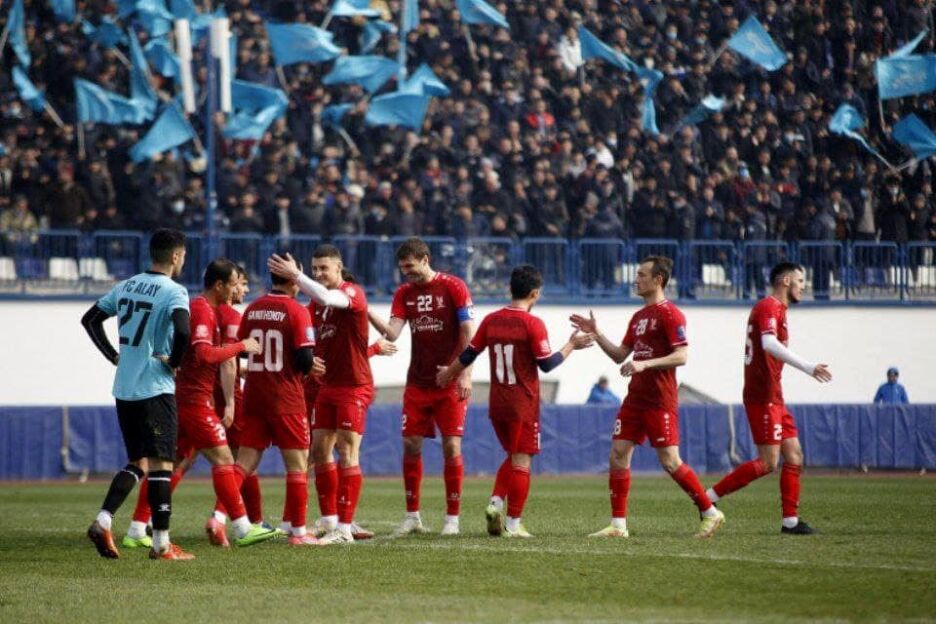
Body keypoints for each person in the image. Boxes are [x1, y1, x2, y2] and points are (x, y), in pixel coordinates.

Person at [122, 259, 278, 549]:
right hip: (195, 400)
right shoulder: (204, 310)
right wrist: (241, 347)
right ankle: (242, 527)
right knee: (226, 460)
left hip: (184, 397)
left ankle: (136, 528)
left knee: (172, 464)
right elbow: (207, 355)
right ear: (219, 285)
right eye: (235, 284)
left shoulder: (202, 308)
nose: (237, 290)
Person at [571, 256, 725, 539]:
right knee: (618, 454)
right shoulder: (639, 317)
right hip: (635, 399)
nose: (636, 279)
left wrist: (645, 364)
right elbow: (620, 354)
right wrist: (597, 333)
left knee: (670, 461)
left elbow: (682, 355)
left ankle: (709, 511)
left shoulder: (671, 314)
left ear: (658, 280)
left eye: (642, 274)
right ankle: (618, 526)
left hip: (659, 399)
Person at [436, 265, 593, 538]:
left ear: (510, 288)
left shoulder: (491, 320)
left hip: (497, 403)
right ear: (535, 294)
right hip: (523, 404)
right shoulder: (533, 324)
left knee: (513, 455)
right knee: (522, 461)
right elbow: (546, 364)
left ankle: (496, 502)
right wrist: (572, 345)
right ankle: (512, 524)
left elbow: (469, 353)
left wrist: (449, 373)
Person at [80, 228, 193, 560]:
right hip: (154, 387)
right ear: (176, 256)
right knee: (162, 464)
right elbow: (183, 330)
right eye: (183, 255)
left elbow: (90, 320)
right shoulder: (174, 290)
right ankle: (161, 544)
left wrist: (114, 356)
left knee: (138, 462)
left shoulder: (126, 285)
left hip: (125, 387)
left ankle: (103, 520)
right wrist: (175, 362)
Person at [705, 262, 833, 535]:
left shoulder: (778, 311)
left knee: (794, 454)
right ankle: (708, 498)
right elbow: (768, 343)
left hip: (774, 395)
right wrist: (809, 367)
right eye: (800, 280)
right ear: (786, 281)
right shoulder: (768, 307)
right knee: (768, 462)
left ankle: (790, 521)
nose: (803, 286)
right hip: (762, 396)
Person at [367, 237, 476, 537]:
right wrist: (366, 310)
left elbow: (469, 332)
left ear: (425, 259)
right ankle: (412, 516)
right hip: (417, 382)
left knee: (451, 446)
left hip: (449, 380)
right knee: (410, 444)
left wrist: (463, 373)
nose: (406, 273)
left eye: (410, 266)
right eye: (403, 268)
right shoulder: (404, 293)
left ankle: (452, 519)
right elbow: (392, 333)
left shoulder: (454, 287)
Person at [268, 246, 375, 545]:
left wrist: (296, 275)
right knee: (319, 451)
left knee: (347, 451)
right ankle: (330, 520)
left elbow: (329, 297)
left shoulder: (351, 292)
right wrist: (307, 360)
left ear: (339, 267)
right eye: (314, 269)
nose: (318, 273)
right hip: (327, 386)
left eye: (324, 268)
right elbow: (304, 336)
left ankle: (345, 528)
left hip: (353, 386)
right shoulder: (315, 306)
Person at [234, 259, 322, 546]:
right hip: (286, 398)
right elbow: (305, 360)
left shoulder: (253, 308)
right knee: (297, 466)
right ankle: (298, 533)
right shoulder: (297, 311)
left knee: (243, 464)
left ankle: (220, 517)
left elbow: (243, 351)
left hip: (254, 395)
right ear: (294, 279)